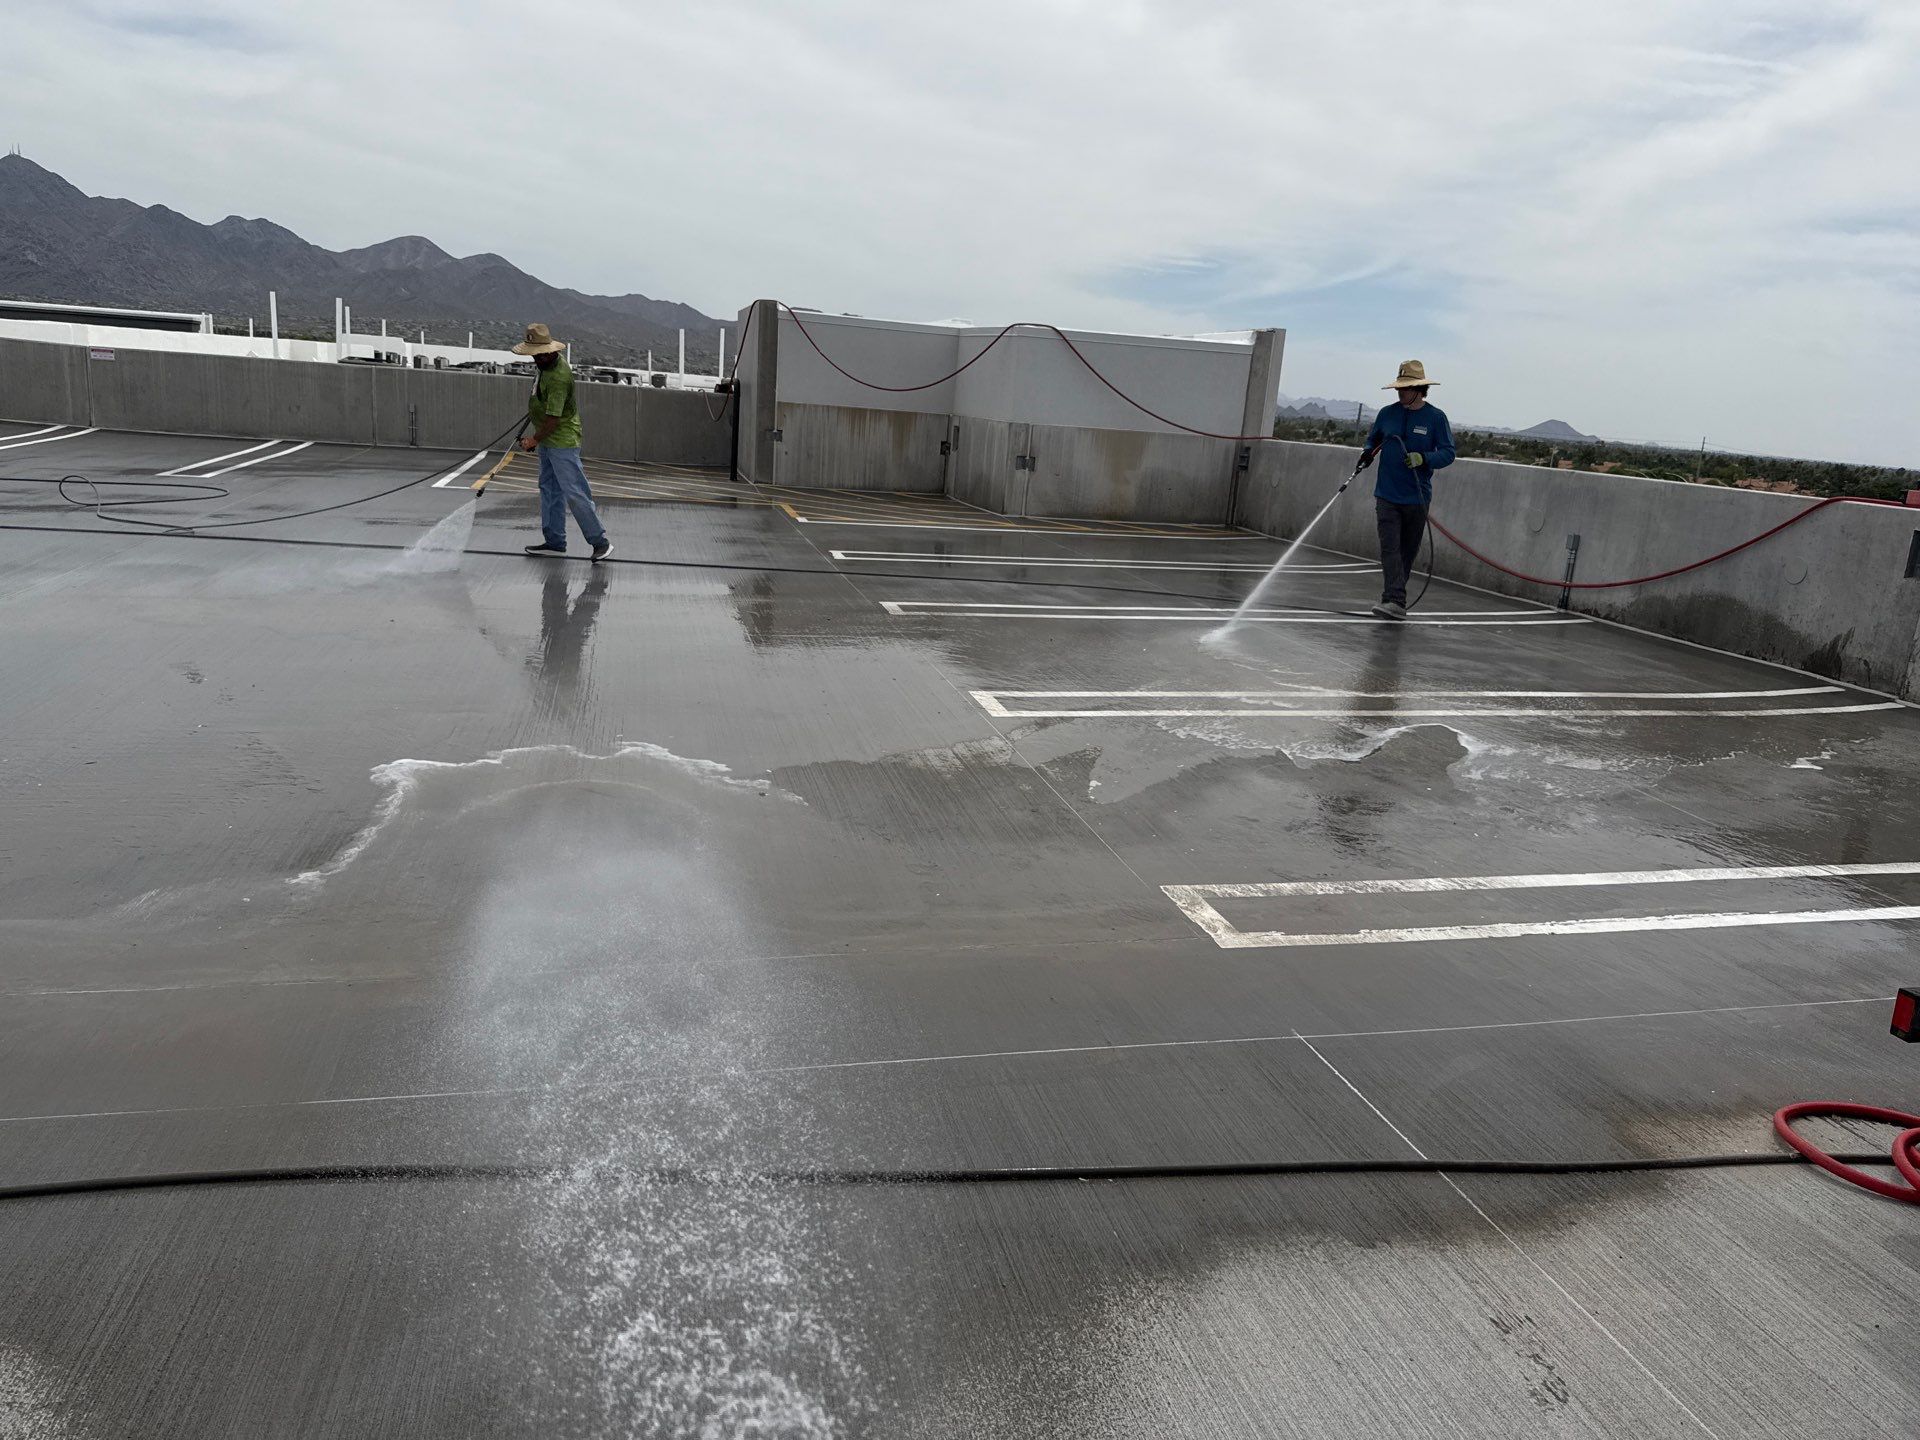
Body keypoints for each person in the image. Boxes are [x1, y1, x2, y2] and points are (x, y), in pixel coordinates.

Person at [512, 322, 612, 562]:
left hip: (562, 440)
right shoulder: (544, 366)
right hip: (547, 438)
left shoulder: (558, 376)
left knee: (574, 491)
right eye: (532, 355)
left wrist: (533, 440)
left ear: (550, 352)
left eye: (537, 355)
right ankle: (555, 542)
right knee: (549, 489)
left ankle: (600, 542)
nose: (534, 359)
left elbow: (554, 420)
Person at [1363, 360, 1454, 619]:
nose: (1400, 393)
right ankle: (1393, 600)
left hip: (1417, 497)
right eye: (1399, 388)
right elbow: (1373, 439)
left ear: (1419, 389)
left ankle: (1395, 602)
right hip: (1387, 494)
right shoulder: (1387, 414)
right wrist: (1367, 453)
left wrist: (1424, 458)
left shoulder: (1436, 418)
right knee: (1389, 547)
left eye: (1406, 388)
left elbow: (1448, 453)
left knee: (1406, 551)